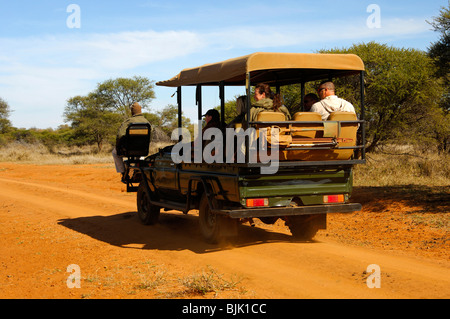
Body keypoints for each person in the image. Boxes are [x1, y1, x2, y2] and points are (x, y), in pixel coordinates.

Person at [112, 102, 150, 176]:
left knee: (114, 153)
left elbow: (120, 135)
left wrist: (119, 146)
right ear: (140, 110)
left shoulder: (128, 121)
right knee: (140, 153)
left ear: (132, 111)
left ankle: (123, 172)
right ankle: (139, 170)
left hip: (128, 149)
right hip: (142, 149)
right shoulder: (147, 122)